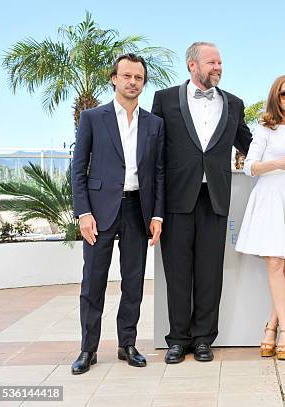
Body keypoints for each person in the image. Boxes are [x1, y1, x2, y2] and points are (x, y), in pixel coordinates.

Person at [151, 42, 252, 364]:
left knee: (210, 273)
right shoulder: (165, 100)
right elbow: (153, 150)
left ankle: (204, 338)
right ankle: (178, 339)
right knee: (177, 273)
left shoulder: (233, 103)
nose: (218, 67)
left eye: (220, 62)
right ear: (192, 65)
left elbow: (250, 143)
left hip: (215, 199)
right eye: (211, 62)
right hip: (177, 198)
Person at [71, 53, 165, 374]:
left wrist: (157, 215)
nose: (132, 82)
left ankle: (127, 344)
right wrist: (83, 212)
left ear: (143, 82)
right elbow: (78, 168)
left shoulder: (154, 124)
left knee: (134, 283)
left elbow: (159, 173)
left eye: (138, 77)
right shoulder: (93, 118)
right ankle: (88, 349)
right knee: (93, 282)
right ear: (114, 78)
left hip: (138, 211)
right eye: (126, 76)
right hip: (99, 213)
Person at [235, 75, 285, 360]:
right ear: (276, 98)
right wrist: (277, 163)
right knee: (274, 260)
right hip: (270, 196)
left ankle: (271, 324)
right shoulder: (266, 127)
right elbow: (250, 167)